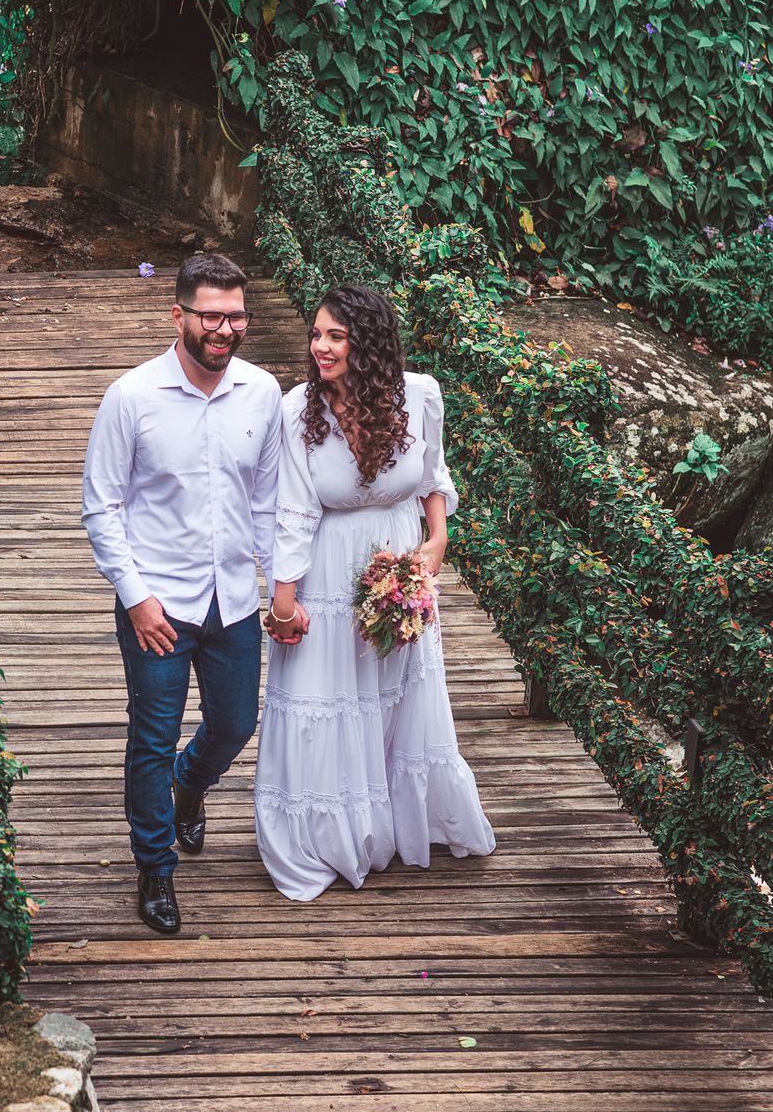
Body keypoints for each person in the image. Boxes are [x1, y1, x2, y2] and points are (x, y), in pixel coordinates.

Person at [255, 284, 496, 902]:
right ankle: (333, 833)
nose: (321, 347)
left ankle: (397, 816)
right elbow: (292, 510)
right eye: (316, 335)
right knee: (329, 695)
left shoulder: (420, 395)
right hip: (329, 567)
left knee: (394, 689)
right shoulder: (298, 408)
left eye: (336, 336)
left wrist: (437, 540)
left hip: (401, 558)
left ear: (369, 344)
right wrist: (284, 601)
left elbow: (432, 476)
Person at [81, 253, 283, 934]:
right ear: (179, 316)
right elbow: (101, 506)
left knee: (235, 725)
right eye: (211, 317)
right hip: (158, 603)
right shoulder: (131, 397)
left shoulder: (262, 392)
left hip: (234, 599)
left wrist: (283, 585)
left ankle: (189, 786)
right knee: (152, 736)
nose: (225, 330)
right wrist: (136, 598)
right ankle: (155, 868)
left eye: (236, 317)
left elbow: (266, 500)